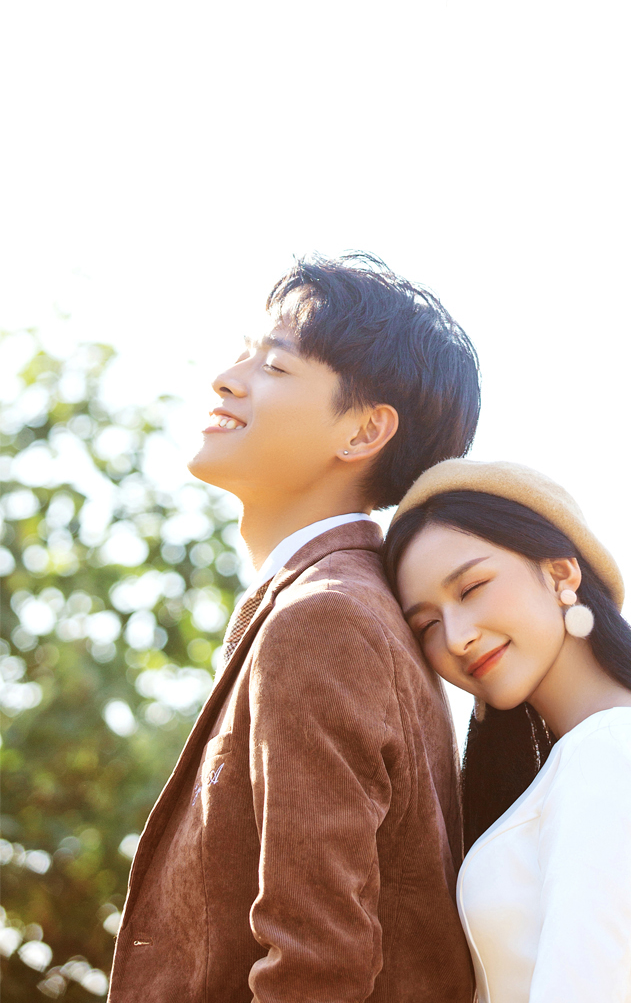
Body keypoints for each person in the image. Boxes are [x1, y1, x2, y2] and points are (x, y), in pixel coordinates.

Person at [109, 253, 480, 1003]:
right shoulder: (339, 605)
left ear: (364, 430)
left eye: (274, 366)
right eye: (243, 355)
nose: (226, 379)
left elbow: (318, 964)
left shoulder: (325, 618)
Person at [386, 459, 631, 1003]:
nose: (456, 637)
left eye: (472, 587)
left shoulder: (609, 751)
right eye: (427, 624)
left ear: (561, 574)